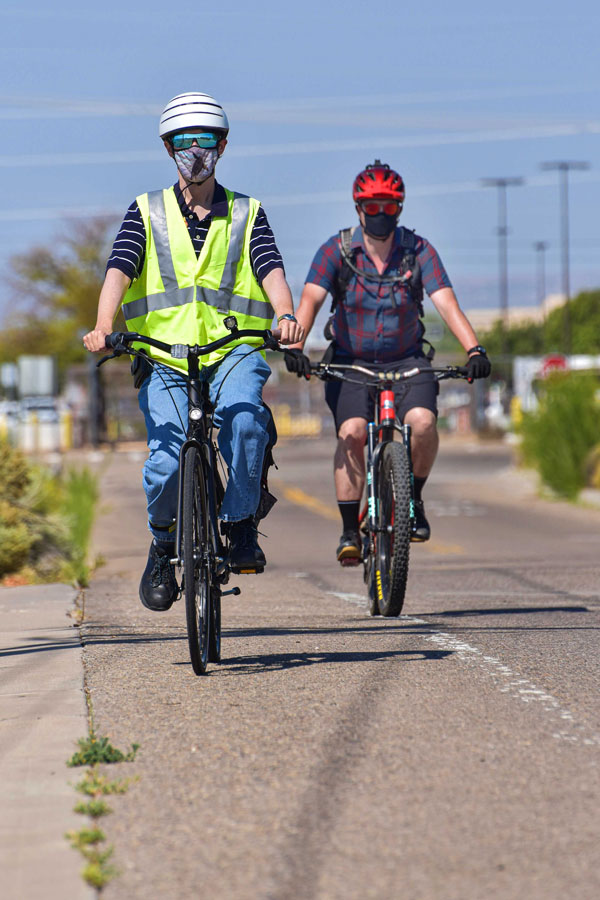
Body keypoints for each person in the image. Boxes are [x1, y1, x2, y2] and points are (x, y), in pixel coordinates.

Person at [84, 92, 303, 610]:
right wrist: (102, 324)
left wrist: (287, 315)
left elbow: (270, 266)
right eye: (184, 143)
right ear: (168, 149)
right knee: (165, 460)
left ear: (222, 146)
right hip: (163, 355)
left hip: (235, 349)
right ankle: (163, 543)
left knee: (247, 422)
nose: (195, 152)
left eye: (204, 141)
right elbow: (121, 265)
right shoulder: (145, 211)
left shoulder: (247, 212)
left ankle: (240, 521)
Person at [285, 160, 490, 565]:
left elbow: (446, 303)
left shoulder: (418, 251)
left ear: (400, 208)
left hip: (408, 359)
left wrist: (474, 350)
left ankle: (412, 500)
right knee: (354, 431)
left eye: (389, 207)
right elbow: (310, 299)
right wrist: (297, 346)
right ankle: (348, 529)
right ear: (358, 208)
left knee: (424, 423)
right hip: (352, 361)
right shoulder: (337, 250)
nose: (381, 216)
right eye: (372, 207)